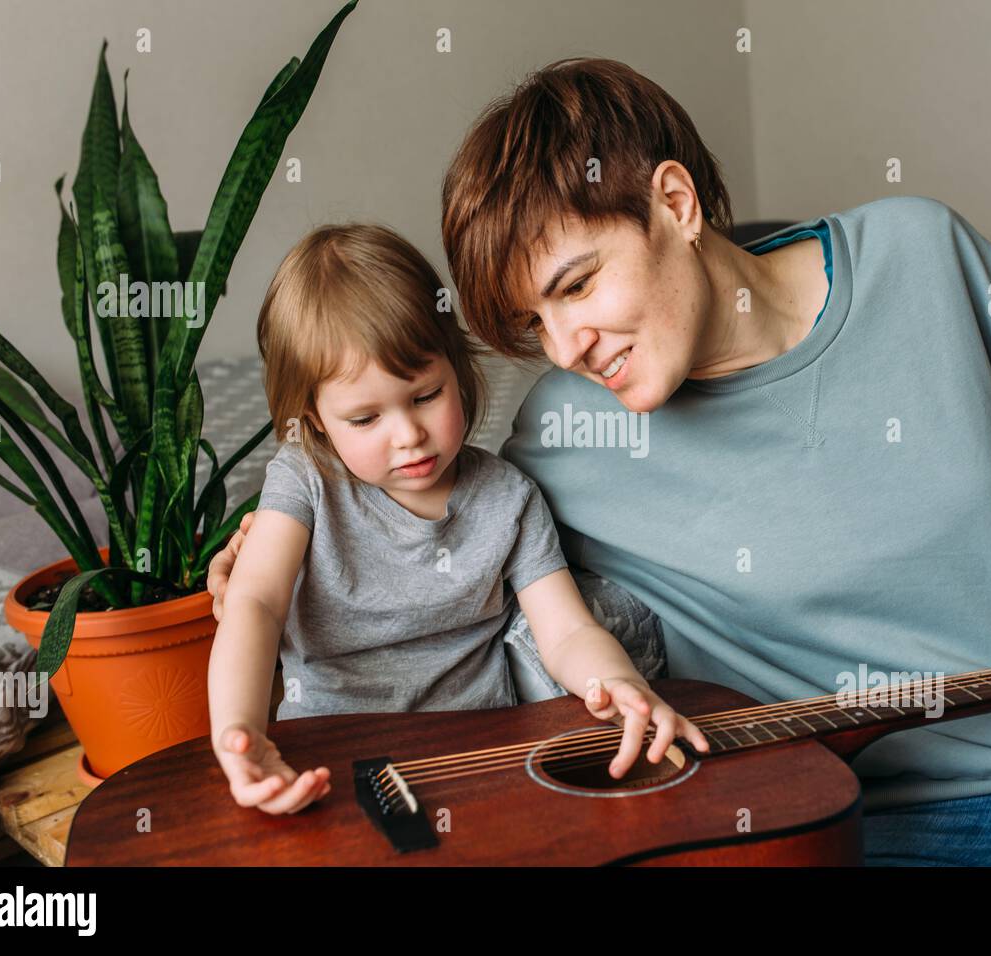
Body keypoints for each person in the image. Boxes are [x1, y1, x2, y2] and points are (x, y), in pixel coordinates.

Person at [211, 58, 991, 864]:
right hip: (847, 833)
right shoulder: (564, 438)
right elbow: (439, 550)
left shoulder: (924, 254)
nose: (565, 346)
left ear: (673, 201)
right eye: (533, 322)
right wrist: (261, 569)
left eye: (576, 285)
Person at [207, 222, 708, 816]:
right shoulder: (305, 480)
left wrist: (622, 685)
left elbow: (568, 633)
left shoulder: (508, 498)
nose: (408, 435)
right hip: (329, 760)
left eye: (425, 396)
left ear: (458, 367)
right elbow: (255, 603)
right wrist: (239, 736)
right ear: (315, 421)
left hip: (477, 762)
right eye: (364, 419)